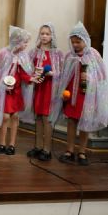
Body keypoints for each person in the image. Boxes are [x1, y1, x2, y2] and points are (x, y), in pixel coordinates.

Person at [51, 22, 108, 166]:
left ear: (85, 40)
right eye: (73, 42)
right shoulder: (69, 56)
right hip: (71, 95)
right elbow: (64, 75)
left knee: (85, 122)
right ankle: (69, 150)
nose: (75, 45)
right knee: (71, 122)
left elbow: (102, 76)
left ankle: (82, 152)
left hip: (87, 95)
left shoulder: (94, 55)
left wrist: (89, 77)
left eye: (78, 42)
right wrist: (62, 91)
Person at [0, 26, 40, 155]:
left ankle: (12, 144)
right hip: (5, 92)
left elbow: (23, 73)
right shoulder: (3, 54)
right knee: (5, 117)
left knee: (15, 116)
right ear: (16, 41)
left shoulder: (23, 56)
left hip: (16, 92)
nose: (26, 45)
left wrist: (31, 79)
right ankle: (2, 143)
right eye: (24, 42)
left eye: (27, 42)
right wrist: (2, 83)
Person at [24, 24, 64, 161]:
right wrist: (34, 73)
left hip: (50, 89)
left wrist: (51, 73)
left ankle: (47, 150)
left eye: (47, 34)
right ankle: (38, 146)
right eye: (42, 33)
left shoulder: (57, 54)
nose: (44, 36)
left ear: (52, 36)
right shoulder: (34, 52)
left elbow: (62, 73)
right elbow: (28, 69)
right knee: (38, 117)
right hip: (38, 89)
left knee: (47, 118)